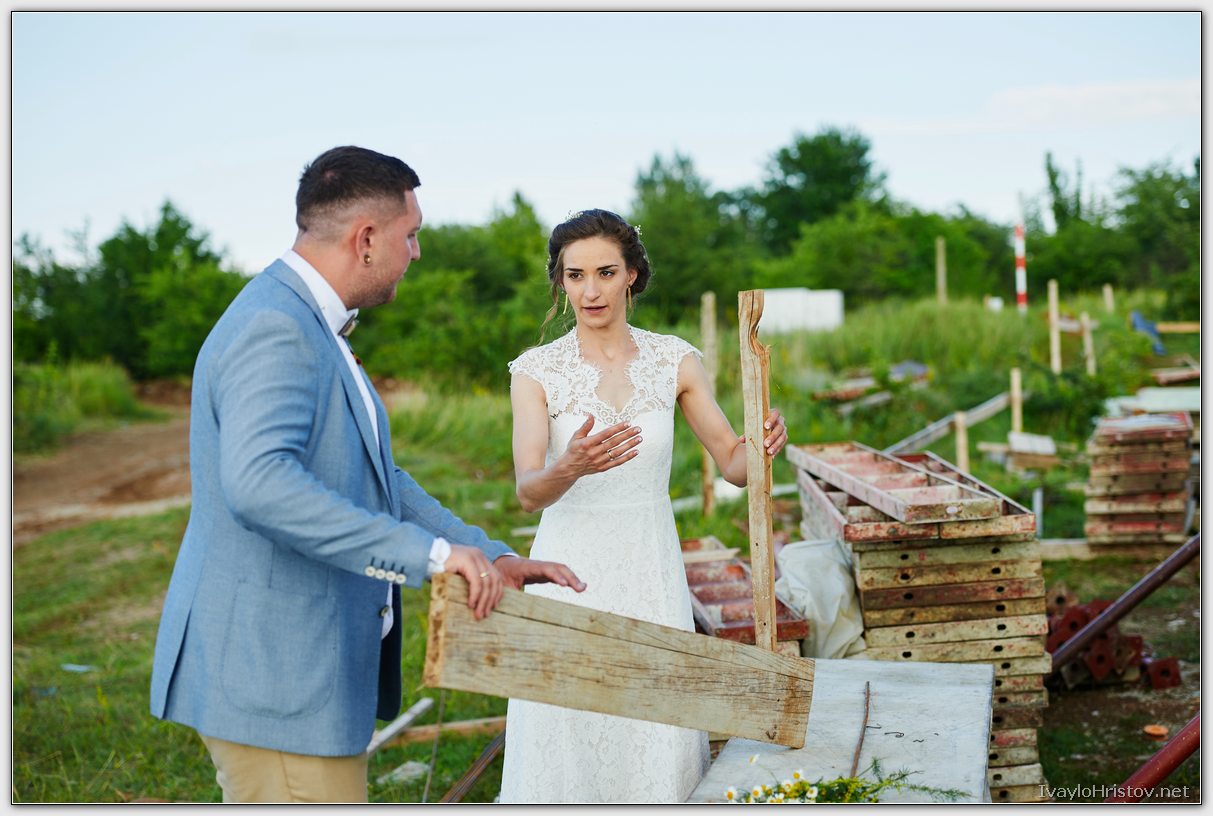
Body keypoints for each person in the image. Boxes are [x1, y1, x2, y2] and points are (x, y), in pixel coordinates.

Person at [148, 145, 585, 804]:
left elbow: (375, 478)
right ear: (367, 239)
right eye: (411, 236)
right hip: (275, 678)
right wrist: (430, 556)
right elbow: (259, 484)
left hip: (295, 678)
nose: (417, 253)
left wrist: (487, 554)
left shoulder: (311, 323)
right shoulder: (276, 326)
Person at [499, 209, 788, 803]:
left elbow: (732, 466)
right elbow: (528, 493)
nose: (591, 290)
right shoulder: (536, 371)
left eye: (605, 273)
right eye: (575, 275)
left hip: (650, 569)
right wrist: (569, 466)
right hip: (570, 570)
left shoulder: (674, 361)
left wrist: (761, 448)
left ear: (631, 274)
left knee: (654, 719)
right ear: (561, 282)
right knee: (570, 722)